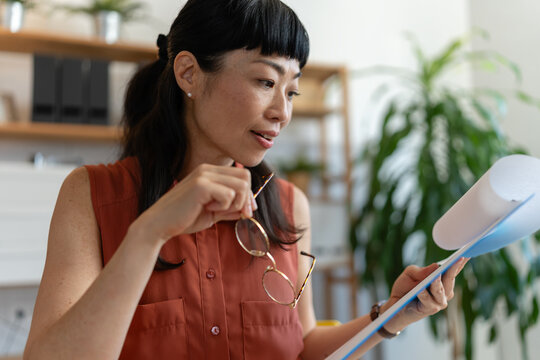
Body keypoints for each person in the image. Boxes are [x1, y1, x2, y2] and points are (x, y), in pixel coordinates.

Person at [23, 0, 468, 359]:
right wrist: (150, 233)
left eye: (290, 91)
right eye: (264, 81)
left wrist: (391, 315)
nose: (283, 112)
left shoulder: (289, 204)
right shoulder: (91, 194)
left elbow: (304, 346)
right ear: (189, 73)